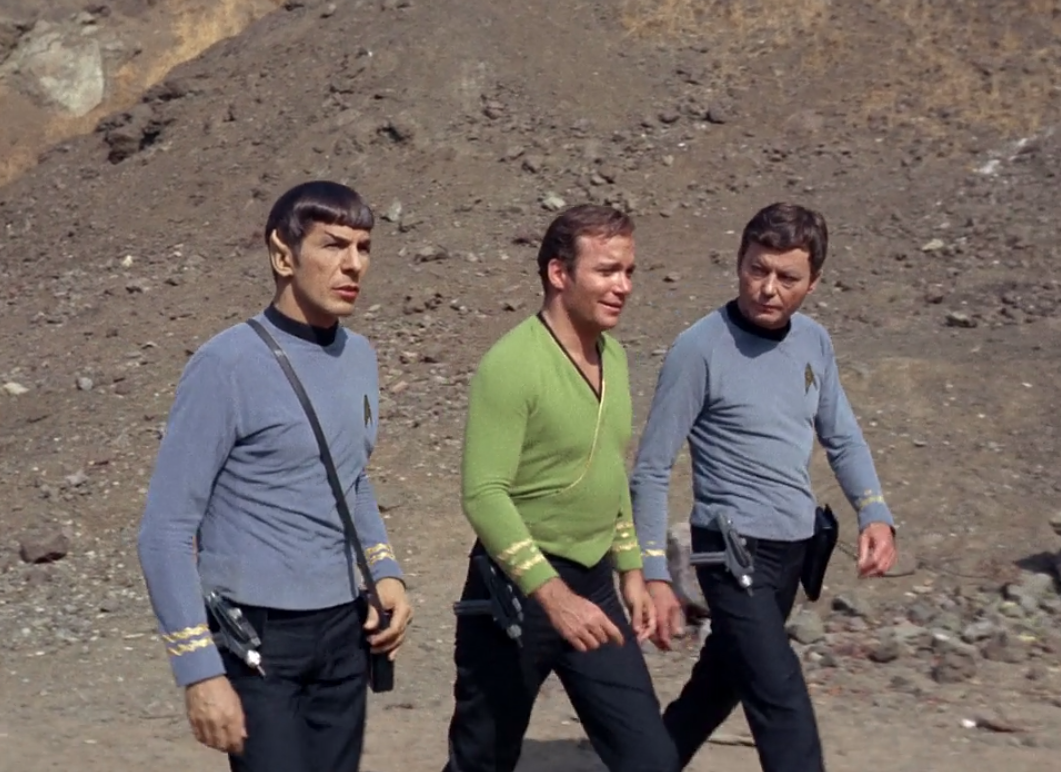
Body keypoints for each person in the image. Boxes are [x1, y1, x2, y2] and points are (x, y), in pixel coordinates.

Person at [137, 180, 413, 772]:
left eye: (364, 248)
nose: (354, 264)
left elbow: (351, 477)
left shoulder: (360, 357)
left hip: (344, 633)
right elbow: (165, 531)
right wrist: (199, 670)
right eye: (333, 245)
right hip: (258, 640)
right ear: (283, 256)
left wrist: (384, 569)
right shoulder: (224, 366)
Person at [628, 202, 899, 772]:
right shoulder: (699, 348)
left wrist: (874, 511)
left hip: (793, 551)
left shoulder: (814, 343)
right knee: (781, 697)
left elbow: (842, 436)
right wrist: (654, 574)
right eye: (758, 269)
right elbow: (651, 468)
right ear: (740, 262)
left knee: (720, 683)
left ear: (813, 282)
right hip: (731, 552)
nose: (768, 288)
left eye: (787, 277)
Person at [442, 204, 680, 772]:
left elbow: (609, 471)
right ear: (558, 273)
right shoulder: (511, 364)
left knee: (651, 758)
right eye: (607, 271)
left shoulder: (614, 356)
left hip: (594, 583)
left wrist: (632, 571)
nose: (623, 286)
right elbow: (483, 493)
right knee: (481, 761)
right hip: (514, 594)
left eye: (629, 272)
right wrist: (552, 596)